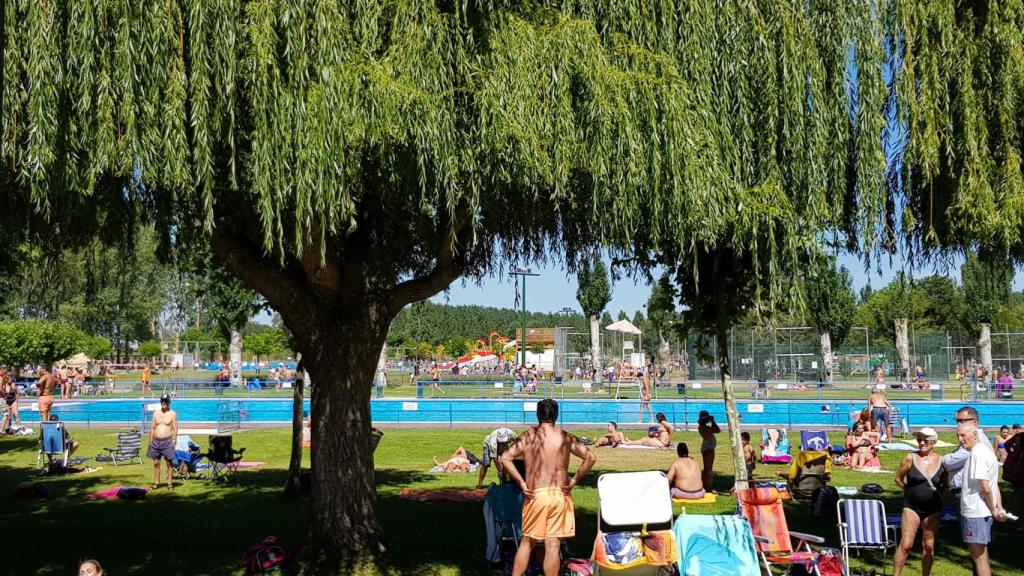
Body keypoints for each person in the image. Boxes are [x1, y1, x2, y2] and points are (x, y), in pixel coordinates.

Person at [499, 399, 596, 576]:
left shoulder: (528, 437)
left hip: (536, 494)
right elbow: (590, 457)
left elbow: (505, 458)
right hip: (559, 494)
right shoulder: (565, 437)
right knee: (553, 544)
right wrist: (573, 480)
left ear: (538, 415)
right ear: (556, 415)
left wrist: (521, 482)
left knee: (527, 542)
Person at [893, 427, 947, 576]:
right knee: (906, 544)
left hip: (933, 508)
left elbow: (946, 484)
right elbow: (898, 479)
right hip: (911, 507)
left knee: (929, 545)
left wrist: (939, 495)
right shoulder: (910, 458)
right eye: (919, 440)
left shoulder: (942, 461)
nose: (921, 443)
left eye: (925, 440)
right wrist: (909, 491)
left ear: (933, 442)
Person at [957, 420, 1008, 576]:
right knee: (981, 556)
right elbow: (994, 484)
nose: (960, 439)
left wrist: (994, 509)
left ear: (975, 434)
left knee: (979, 558)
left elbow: (986, 486)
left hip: (976, 513)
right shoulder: (986, 451)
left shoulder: (977, 454)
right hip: (981, 512)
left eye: (963, 435)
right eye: (958, 436)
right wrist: (998, 506)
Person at [941, 406, 992, 492]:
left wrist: (940, 458)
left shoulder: (974, 442)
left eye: (962, 421)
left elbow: (949, 462)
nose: (958, 424)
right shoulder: (977, 438)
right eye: (957, 421)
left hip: (966, 490)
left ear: (974, 422)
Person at [148, 393, 178, 489]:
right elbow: (152, 428)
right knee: (156, 463)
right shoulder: (156, 413)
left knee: (169, 463)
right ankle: (157, 483)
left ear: (169, 402)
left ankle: (169, 483)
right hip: (156, 442)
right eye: (162, 401)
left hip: (168, 441)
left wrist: (174, 440)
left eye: (165, 401)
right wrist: (150, 441)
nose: (163, 403)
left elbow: (175, 429)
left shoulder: (173, 414)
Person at [696, 410, 720, 492]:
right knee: (708, 470)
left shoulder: (706, 427)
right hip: (708, 449)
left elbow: (717, 430)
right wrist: (712, 421)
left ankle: (705, 485)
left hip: (709, 448)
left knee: (707, 469)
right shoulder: (702, 428)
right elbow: (716, 430)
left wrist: (712, 421)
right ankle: (708, 487)